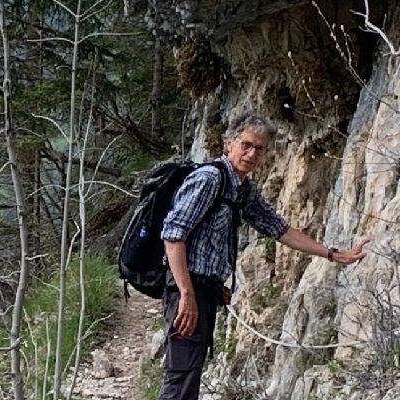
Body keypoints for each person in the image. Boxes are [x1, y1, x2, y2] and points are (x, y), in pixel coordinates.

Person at [156, 114, 369, 399]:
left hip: (204, 291)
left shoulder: (242, 190)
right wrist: (186, 293)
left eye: (260, 148)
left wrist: (333, 255)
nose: (252, 153)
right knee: (181, 377)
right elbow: (173, 234)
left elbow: (279, 229)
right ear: (229, 143)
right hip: (186, 290)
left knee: (189, 374)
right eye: (246, 145)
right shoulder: (209, 179)